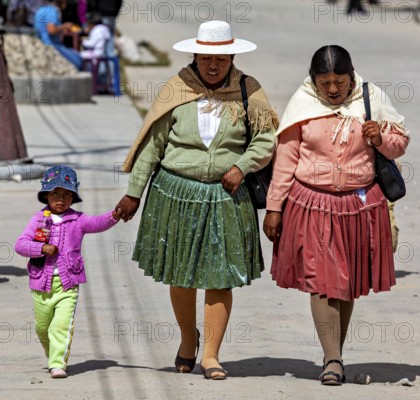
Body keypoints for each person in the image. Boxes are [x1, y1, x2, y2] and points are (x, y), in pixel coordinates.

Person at [113, 21, 277, 380]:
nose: (213, 65)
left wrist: (241, 165)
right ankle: (189, 338)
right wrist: (133, 193)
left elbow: (265, 141)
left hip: (226, 196)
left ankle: (212, 355)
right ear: (195, 56)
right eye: (206, 58)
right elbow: (153, 145)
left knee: (220, 277)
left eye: (220, 58)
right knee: (181, 276)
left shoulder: (250, 91)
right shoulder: (176, 89)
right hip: (177, 194)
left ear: (232, 56)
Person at [263, 45, 409, 385]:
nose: (332, 89)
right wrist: (274, 207)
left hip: (359, 205)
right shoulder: (302, 105)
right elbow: (285, 160)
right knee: (322, 280)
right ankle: (332, 357)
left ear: (351, 77)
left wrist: (381, 137)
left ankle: (335, 356)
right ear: (313, 81)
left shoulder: (370, 98)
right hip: (311, 204)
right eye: (324, 82)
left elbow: (401, 142)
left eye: (339, 81)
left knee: (346, 282)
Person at [15, 165, 119, 379]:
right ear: (46, 195)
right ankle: (53, 353)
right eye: (55, 193)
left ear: (73, 197)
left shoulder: (78, 220)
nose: (60, 199)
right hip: (40, 284)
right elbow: (21, 245)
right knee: (43, 329)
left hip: (67, 284)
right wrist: (41, 248)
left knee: (61, 326)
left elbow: (97, 223)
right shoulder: (38, 220)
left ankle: (57, 363)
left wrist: (115, 215)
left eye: (66, 194)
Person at [34, 0, 83, 69]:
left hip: (41, 43)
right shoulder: (52, 11)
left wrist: (61, 30)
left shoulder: (42, 10)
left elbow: (44, 29)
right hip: (51, 45)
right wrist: (65, 26)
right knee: (78, 61)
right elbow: (51, 30)